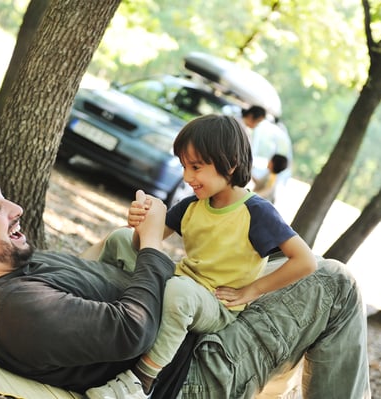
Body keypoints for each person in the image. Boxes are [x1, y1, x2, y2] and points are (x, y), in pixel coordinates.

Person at [0, 166, 371, 399]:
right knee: (334, 283)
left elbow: (96, 280)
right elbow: (132, 331)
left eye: (4, 198)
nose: (17, 209)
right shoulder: (10, 310)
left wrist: (135, 236)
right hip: (196, 371)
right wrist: (150, 247)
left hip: (193, 313)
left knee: (290, 274)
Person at [86, 114, 315, 398]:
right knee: (119, 238)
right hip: (180, 282)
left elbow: (305, 261)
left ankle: (140, 381)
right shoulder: (193, 204)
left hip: (214, 303)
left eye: (196, 166)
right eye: (184, 166)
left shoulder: (257, 213)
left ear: (230, 164)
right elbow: (143, 243)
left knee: (179, 292)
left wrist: (251, 291)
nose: (186, 176)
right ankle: (84, 301)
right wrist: (139, 223)